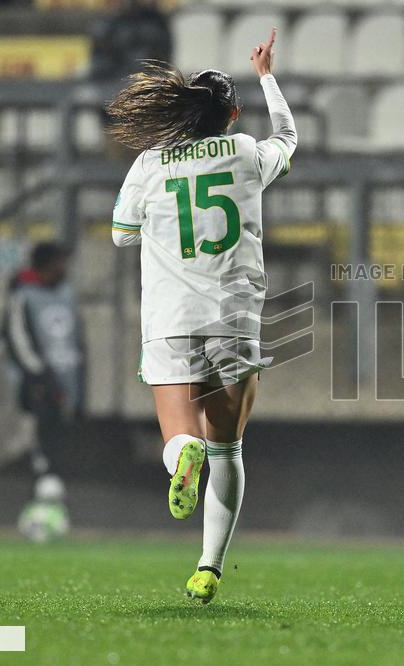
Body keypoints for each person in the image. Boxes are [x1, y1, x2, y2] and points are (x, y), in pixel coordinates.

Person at [107, 28, 295, 604]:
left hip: (171, 317)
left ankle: (178, 456)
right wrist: (267, 75)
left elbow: (121, 234)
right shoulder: (246, 153)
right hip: (234, 319)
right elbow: (288, 137)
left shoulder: (151, 163)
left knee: (179, 437)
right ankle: (209, 567)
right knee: (227, 450)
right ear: (232, 115)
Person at [5, 242, 85, 476]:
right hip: (38, 379)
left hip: (67, 374)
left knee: (62, 429)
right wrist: (39, 373)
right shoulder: (23, 296)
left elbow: (77, 338)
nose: (64, 268)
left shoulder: (67, 293)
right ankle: (39, 473)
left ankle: (54, 472)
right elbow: (17, 338)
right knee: (40, 427)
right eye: (59, 262)